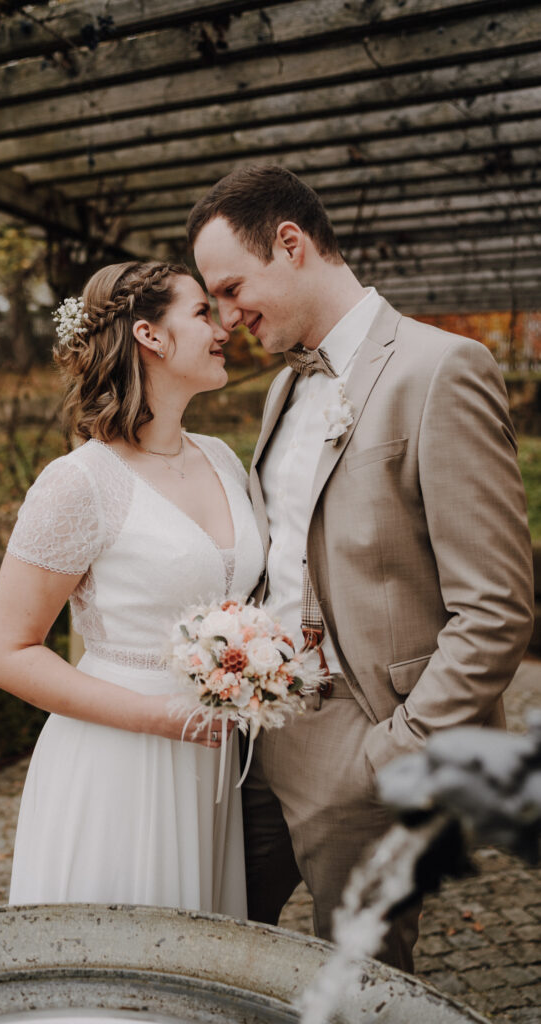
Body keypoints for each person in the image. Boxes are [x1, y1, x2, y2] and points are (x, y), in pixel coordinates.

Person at [188, 165, 535, 970]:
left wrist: (394, 752)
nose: (228, 317)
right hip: (258, 735)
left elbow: (496, 609)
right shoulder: (281, 389)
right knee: (215, 947)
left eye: (232, 289)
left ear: (290, 243)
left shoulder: (441, 368)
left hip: (365, 735)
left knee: (359, 983)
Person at [0, 260, 265, 913]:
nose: (224, 328)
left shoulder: (222, 457)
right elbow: (3, 653)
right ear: (149, 335)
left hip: (211, 760)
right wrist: (157, 718)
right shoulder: (80, 483)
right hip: (119, 757)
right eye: (202, 312)